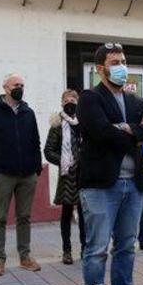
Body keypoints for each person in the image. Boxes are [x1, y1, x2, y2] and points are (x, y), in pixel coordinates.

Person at [78, 43, 143, 285]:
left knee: (126, 247)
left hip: (134, 185)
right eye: (115, 62)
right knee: (97, 250)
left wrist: (126, 129)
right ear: (101, 68)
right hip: (101, 186)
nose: (121, 67)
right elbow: (100, 133)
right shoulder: (90, 98)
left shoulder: (136, 101)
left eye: (124, 61)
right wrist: (138, 132)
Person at [0, 73, 43, 277]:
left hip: (27, 175)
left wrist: (37, 167)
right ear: (5, 87)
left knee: (24, 217)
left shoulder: (28, 113)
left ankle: (25, 257)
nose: (20, 88)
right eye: (16, 85)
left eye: (22, 85)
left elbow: (35, 141)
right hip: (3, 175)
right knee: (0, 218)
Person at [44, 89, 86, 265]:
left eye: (73, 99)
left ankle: (86, 248)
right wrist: (63, 161)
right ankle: (66, 250)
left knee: (85, 214)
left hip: (84, 174)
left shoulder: (84, 122)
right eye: (67, 99)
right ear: (62, 103)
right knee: (66, 213)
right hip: (67, 174)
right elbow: (48, 151)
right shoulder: (57, 124)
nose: (70, 102)